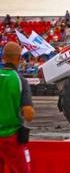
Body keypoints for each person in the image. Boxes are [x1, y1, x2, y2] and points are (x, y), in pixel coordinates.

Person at [0, 42, 35, 173]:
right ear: (19, 58)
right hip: (11, 138)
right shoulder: (20, 81)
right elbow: (29, 114)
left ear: (3, 57)